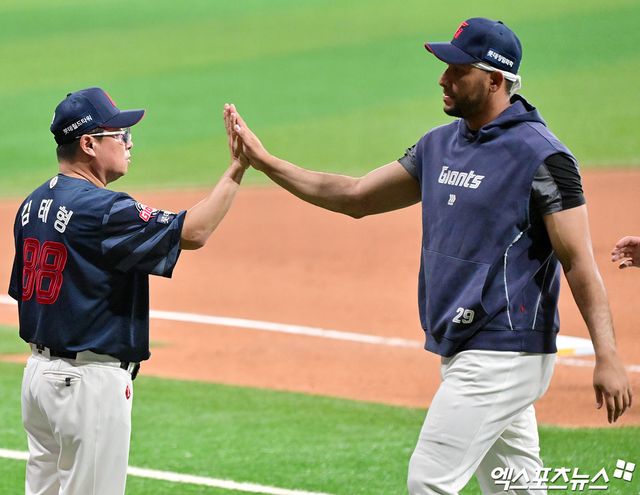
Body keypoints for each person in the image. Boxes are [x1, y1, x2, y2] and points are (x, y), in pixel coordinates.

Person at [224, 17, 633, 495]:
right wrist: (266, 162)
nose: (443, 78)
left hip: (504, 349)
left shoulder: (542, 158)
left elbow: (579, 262)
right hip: (464, 345)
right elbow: (355, 196)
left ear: (495, 80)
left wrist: (608, 355)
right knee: (516, 488)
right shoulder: (438, 145)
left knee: (429, 479)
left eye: (458, 69)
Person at [9, 87, 248, 495]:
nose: (129, 142)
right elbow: (194, 231)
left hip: (38, 380)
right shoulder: (104, 209)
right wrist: (237, 170)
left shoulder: (31, 205)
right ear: (88, 144)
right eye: (119, 134)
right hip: (87, 385)